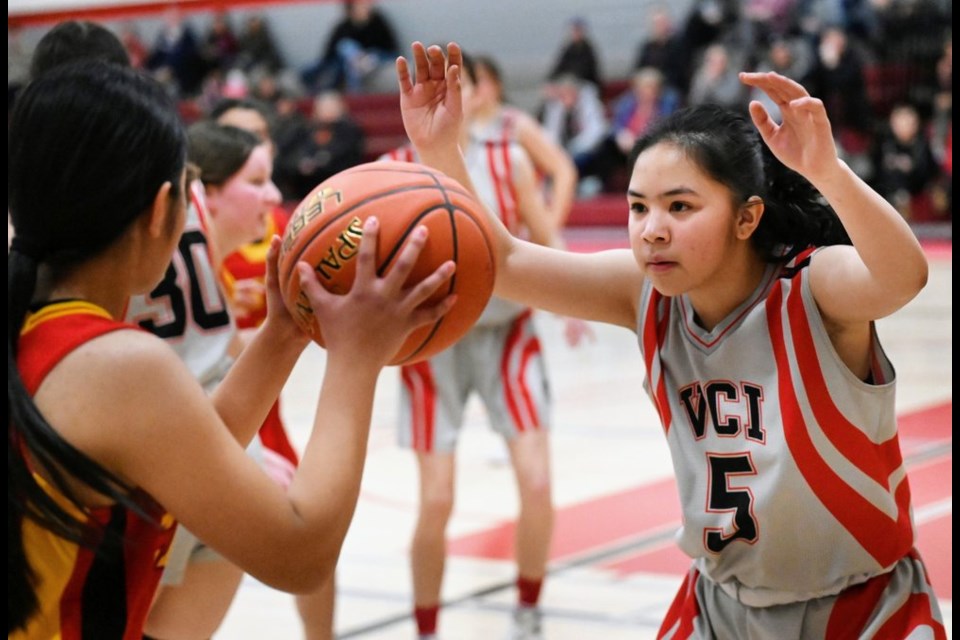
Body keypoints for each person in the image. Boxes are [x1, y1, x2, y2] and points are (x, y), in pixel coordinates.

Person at [396, 42, 946, 639]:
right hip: (719, 609)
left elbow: (903, 276)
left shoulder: (812, 287)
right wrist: (438, 151)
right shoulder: (644, 295)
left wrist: (830, 174)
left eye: (680, 207)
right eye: (639, 208)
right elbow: (500, 259)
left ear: (746, 218)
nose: (653, 230)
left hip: (865, 611)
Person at [8, 60, 456, 637]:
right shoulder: (116, 366)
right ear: (160, 210)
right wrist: (356, 360)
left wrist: (285, 332)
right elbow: (301, 555)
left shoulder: (50, 335)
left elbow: (185, 446)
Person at [383, 52, 583, 640]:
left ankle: (527, 609)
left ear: (479, 93)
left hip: (507, 333)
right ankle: (425, 627)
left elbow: (544, 238)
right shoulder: (392, 169)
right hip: (431, 341)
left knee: (538, 481)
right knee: (438, 499)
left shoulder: (509, 158)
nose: (450, 95)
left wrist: (574, 301)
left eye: (460, 84)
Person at [470, 55, 577, 230]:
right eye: (470, 80)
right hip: (480, 227)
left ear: (497, 85)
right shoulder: (460, 127)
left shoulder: (516, 123)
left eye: (480, 79)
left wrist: (552, 225)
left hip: (518, 230)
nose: (475, 87)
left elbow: (563, 170)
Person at [304, 0, 400, 93]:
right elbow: (328, 54)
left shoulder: (378, 22)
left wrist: (368, 56)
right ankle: (356, 62)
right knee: (346, 47)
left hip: (375, 58)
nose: (366, 7)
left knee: (357, 54)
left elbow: (390, 49)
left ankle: (357, 69)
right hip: (346, 63)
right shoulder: (343, 27)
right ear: (351, 9)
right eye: (360, 5)